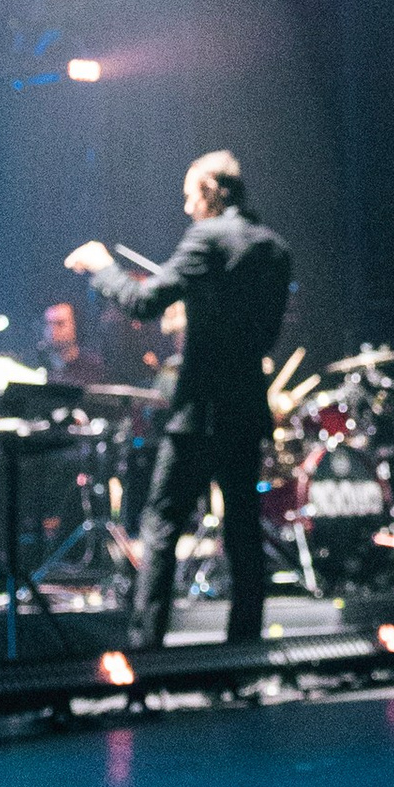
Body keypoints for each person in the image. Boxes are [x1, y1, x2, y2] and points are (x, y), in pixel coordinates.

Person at [68, 150, 292, 654]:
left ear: (211, 190)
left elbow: (143, 303)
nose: (186, 205)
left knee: (162, 524)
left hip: (200, 413)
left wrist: (102, 266)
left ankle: (148, 650)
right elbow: (262, 332)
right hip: (245, 408)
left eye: (190, 194)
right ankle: (245, 651)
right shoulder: (275, 249)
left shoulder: (208, 238)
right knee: (243, 532)